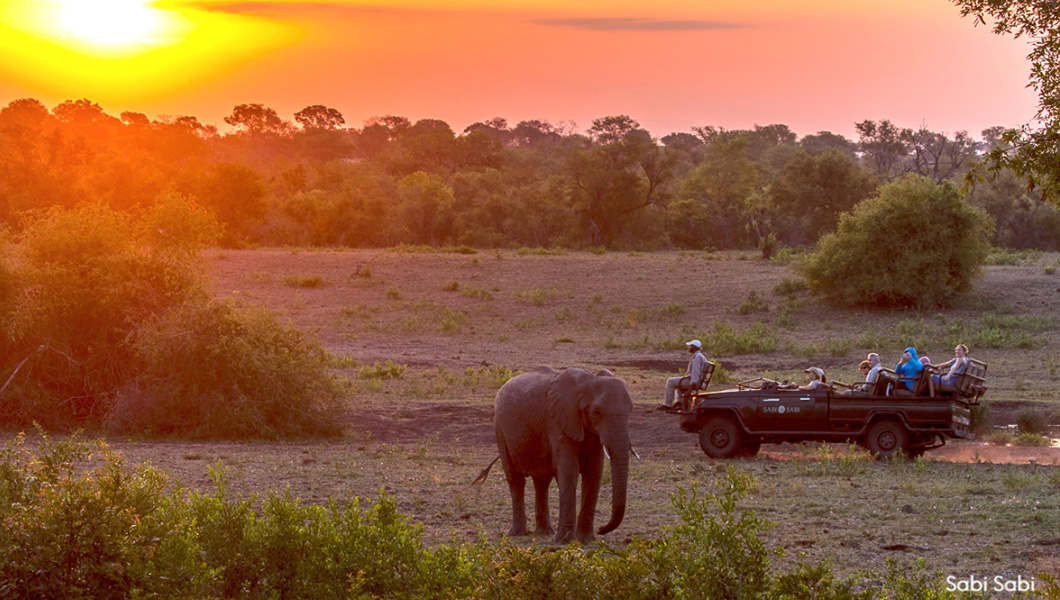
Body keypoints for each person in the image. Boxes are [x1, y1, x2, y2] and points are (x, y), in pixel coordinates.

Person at [660, 340, 709, 410]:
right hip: (697, 381)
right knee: (677, 382)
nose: (688, 348)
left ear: (694, 347)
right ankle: (679, 403)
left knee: (670, 382)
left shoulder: (696, 357)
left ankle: (668, 404)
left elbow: (695, 374)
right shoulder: (700, 356)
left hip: (694, 382)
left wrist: (691, 387)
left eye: (690, 346)